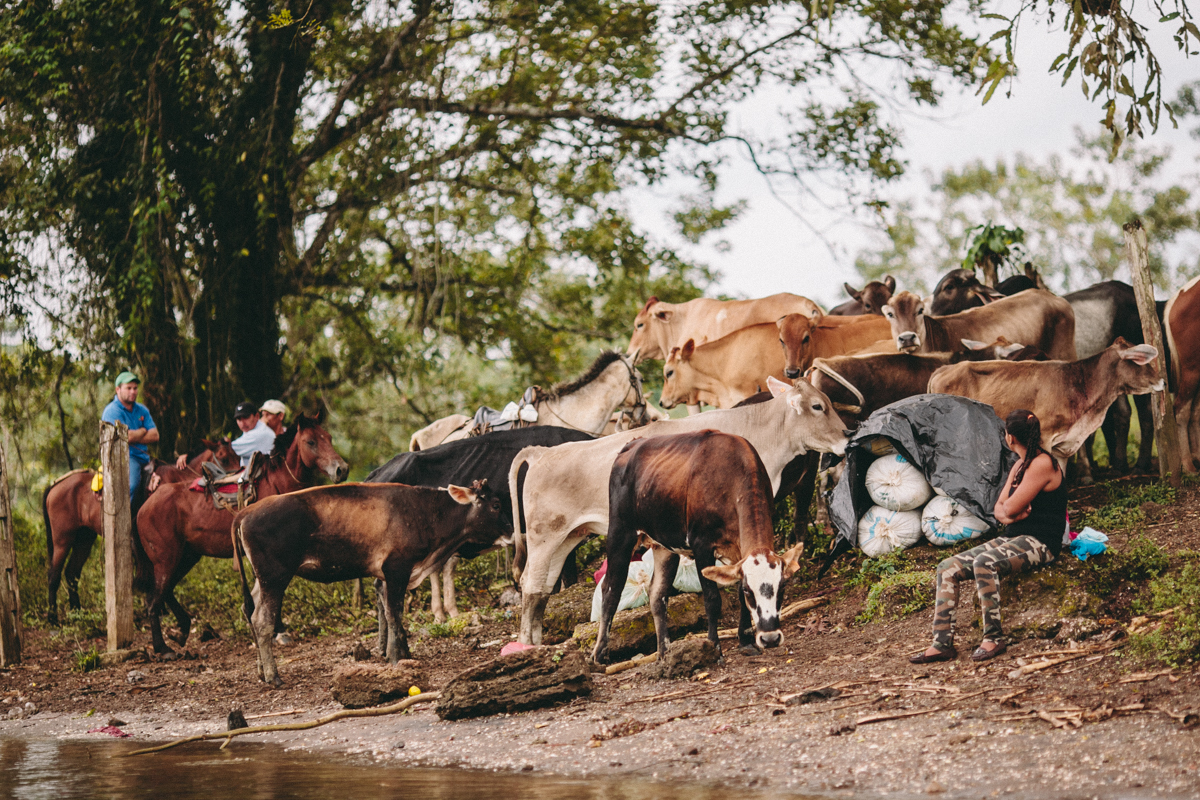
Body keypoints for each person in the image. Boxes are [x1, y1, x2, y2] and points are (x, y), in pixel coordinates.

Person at [910, 409, 1067, 664]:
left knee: (985, 562)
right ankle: (942, 644)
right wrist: (1010, 514)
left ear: (1010, 438)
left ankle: (993, 638)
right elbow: (999, 509)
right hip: (1012, 538)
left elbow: (1010, 507)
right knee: (947, 567)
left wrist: (1009, 512)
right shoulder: (1019, 465)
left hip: (1041, 543)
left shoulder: (1042, 464)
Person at [100, 371, 160, 502]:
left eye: (135, 388)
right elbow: (125, 437)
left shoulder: (141, 410)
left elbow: (155, 435)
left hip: (144, 457)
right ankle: (125, 519)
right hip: (123, 458)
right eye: (128, 388)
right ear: (118, 389)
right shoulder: (112, 411)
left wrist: (133, 435)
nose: (133, 391)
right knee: (132, 485)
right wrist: (143, 430)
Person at [231, 401, 276, 467]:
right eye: (239, 419)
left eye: (246, 417)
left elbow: (230, 450)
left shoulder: (261, 433)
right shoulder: (251, 431)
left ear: (257, 416)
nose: (243, 423)